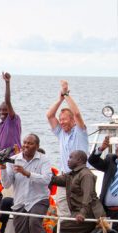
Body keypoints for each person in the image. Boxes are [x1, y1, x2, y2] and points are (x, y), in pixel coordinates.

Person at [0, 134, 53, 233]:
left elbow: (46, 180)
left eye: (30, 143)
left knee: (34, 221)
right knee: (20, 232)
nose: (26, 145)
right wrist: (2, 168)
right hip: (20, 201)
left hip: (39, 199)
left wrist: (27, 173)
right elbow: (6, 184)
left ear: (37, 146)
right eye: (24, 142)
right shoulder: (13, 160)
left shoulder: (44, 160)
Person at [46, 80, 89, 217]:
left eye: (65, 119)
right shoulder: (61, 133)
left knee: (78, 210)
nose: (62, 122)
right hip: (64, 176)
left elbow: (77, 113)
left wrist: (66, 94)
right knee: (62, 209)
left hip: (80, 176)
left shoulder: (80, 131)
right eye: (61, 119)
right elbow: (49, 115)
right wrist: (60, 99)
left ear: (73, 121)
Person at [51, 150, 105, 233]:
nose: (68, 160)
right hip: (79, 214)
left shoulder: (86, 175)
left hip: (89, 214)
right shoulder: (72, 174)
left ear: (79, 160)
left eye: (71, 157)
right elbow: (57, 180)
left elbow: (88, 196)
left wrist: (82, 213)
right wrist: (42, 174)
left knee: (59, 229)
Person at [0, 72, 22, 151]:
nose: (2, 112)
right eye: (0, 110)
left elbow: (7, 101)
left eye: (5, 110)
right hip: (3, 155)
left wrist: (7, 83)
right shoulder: (2, 124)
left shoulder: (12, 120)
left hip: (13, 155)